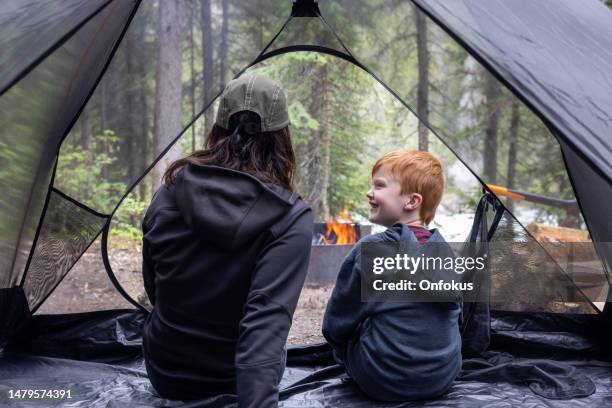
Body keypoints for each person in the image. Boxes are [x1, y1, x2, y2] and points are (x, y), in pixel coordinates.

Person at [141, 75, 314, 407]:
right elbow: (264, 328)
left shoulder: (168, 193)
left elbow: (154, 285)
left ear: (217, 129)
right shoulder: (290, 218)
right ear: (282, 139)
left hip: (166, 372)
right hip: (233, 381)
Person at [322, 149, 462, 401]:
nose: (369, 192)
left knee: (356, 323)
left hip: (381, 379)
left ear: (412, 201)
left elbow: (336, 324)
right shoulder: (446, 253)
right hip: (442, 378)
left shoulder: (369, 250)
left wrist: (341, 351)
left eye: (379, 185)